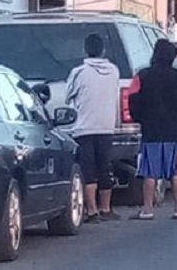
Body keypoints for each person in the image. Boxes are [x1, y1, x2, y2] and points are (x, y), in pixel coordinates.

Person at [127, 39, 177, 220]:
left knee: (149, 173)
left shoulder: (141, 76)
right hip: (174, 133)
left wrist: (141, 118)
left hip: (151, 133)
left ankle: (147, 209)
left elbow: (132, 102)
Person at [65, 34, 121, 223]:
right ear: (103, 50)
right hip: (106, 126)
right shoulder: (114, 71)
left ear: (85, 50)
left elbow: (68, 96)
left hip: (84, 127)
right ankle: (106, 208)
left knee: (89, 170)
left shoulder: (79, 72)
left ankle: (92, 211)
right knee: (105, 167)